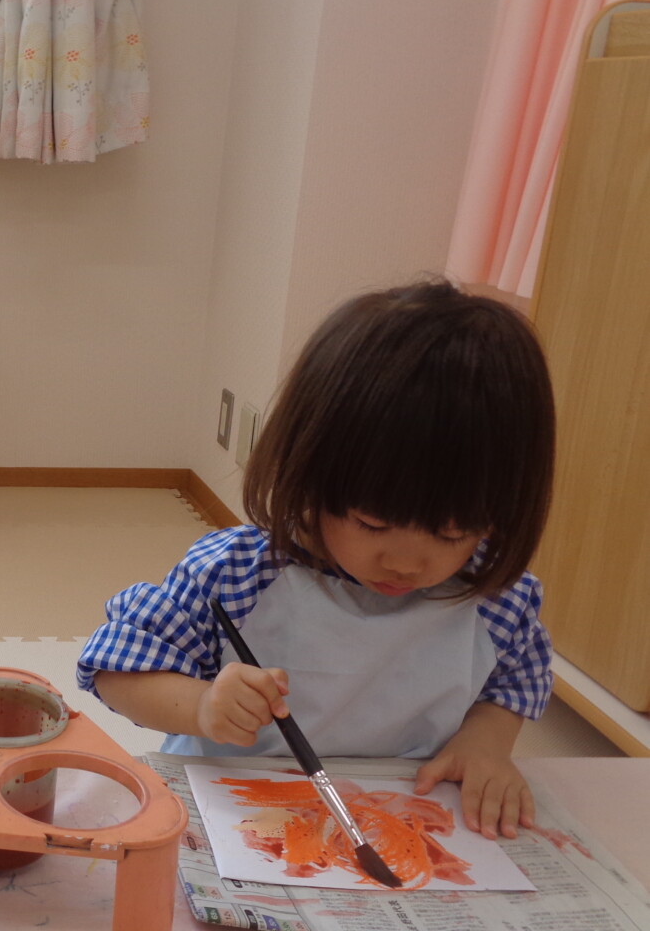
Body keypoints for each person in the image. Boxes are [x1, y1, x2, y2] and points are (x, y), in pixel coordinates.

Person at [78, 277, 555, 841]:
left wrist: (485, 743)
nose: (406, 563)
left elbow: (516, 682)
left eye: (453, 533)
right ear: (308, 475)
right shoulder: (239, 573)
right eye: (372, 523)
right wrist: (203, 706)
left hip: (400, 819)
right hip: (232, 818)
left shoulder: (495, 597)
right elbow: (116, 665)